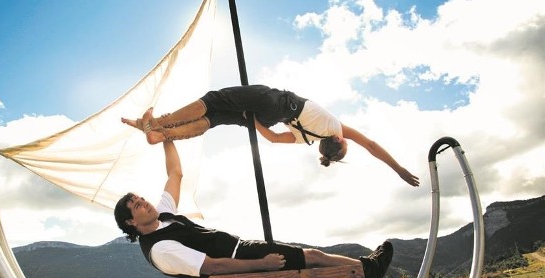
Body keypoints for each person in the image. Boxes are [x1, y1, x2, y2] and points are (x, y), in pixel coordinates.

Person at [114, 140, 394, 278]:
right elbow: (214, 266)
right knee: (313, 257)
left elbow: (175, 173)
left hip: (240, 247)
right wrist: (263, 264)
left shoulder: (163, 215)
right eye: (137, 205)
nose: (145, 203)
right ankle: (368, 271)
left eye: (141, 198)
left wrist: (166, 137)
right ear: (131, 222)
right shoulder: (160, 249)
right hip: (239, 260)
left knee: (312, 259)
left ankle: (362, 271)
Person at [121, 85, 419, 187]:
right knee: (213, 119)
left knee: (212, 100)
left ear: (340, 143)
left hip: (276, 102)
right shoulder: (307, 140)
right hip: (265, 117)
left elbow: (371, 145)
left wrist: (399, 168)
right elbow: (274, 139)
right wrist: (252, 122)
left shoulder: (336, 129)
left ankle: (158, 123)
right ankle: (160, 135)